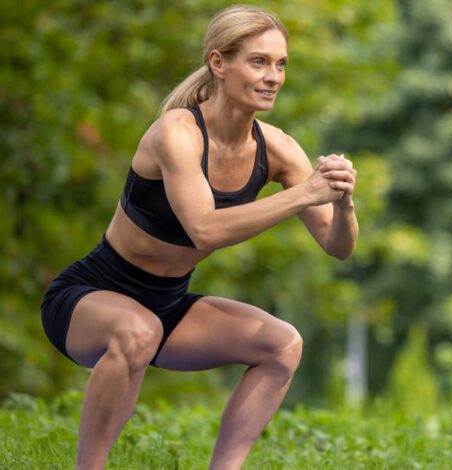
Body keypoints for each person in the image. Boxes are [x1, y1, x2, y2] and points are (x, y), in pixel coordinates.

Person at [40, 5, 358, 469]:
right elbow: (204, 228)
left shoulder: (280, 149)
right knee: (137, 330)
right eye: (258, 61)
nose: (273, 76)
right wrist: (305, 194)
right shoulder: (178, 133)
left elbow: (338, 247)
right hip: (90, 296)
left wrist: (342, 200)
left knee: (283, 344)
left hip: (169, 305)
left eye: (281, 64)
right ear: (218, 63)